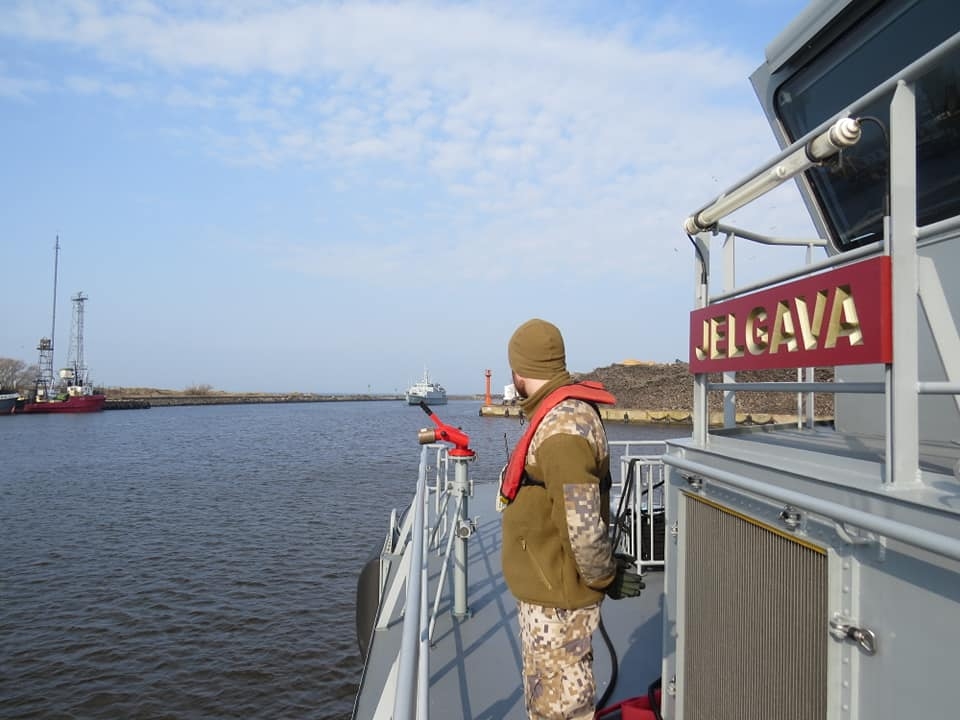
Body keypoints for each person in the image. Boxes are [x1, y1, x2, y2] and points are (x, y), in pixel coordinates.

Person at [500, 318, 644, 720]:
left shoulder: (562, 429)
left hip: (556, 604)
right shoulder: (561, 415)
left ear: (519, 369)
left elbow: (580, 526)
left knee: (560, 706)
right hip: (549, 589)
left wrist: (606, 577)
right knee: (550, 694)